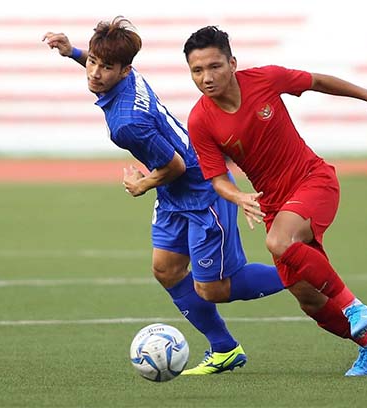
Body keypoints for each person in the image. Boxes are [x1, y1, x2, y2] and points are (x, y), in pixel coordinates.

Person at [42, 17, 285, 375]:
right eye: (92, 61)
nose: (94, 72)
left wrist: (142, 185)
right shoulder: (128, 75)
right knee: (166, 270)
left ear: (124, 72)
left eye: (105, 66)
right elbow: (101, 65)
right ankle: (224, 349)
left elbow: (174, 166)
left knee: (214, 287)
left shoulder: (127, 124)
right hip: (175, 195)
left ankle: (298, 272)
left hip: (201, 187)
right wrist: (72, 52)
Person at [183, 26, 367, 376]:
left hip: (313, 180)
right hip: (274, 204)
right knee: (309, 299)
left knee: (278, 242)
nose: (206, 77)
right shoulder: (200, 120)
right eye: (197, 71)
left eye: (214, 66)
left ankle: (354, 306)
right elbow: (216, 179)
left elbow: (318, 81)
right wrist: (240, 196)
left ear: (232, 63)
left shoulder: (266, 79)